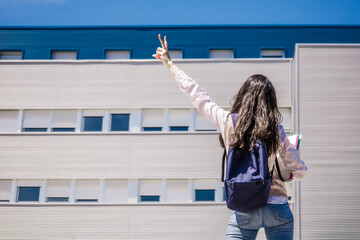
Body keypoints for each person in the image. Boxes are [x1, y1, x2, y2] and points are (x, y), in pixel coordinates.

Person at [152, 34, 308, 240]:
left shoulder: (227, 122)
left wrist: (169, 63)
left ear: (244, 96)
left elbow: (197, 94)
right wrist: (279, 169)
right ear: (270, 102)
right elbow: (301, 171)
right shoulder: (275, 130)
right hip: (278, 210)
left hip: (245, 207)